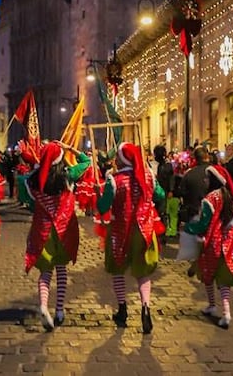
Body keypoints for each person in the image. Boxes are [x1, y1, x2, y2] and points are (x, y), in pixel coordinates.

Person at [20, 141, 91, 331]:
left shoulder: (31, 180)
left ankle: (43, 305)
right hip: (63, 230)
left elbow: (26, 198)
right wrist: (70, 149)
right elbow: (87, 162)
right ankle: (59, 310)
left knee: (45, 272)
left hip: (42, 230)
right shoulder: (67, 175)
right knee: (61, 270)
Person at [95, 142, 165, 334]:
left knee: (118, 270)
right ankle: (145, 308)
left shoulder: (114, 180)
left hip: (121, 230)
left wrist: (98, 194)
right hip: (144, 229)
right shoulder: (148, 175)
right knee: (143, 273)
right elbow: (160, 194)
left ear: (122, 159)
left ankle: (122, 309)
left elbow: (103, 207)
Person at [183, 164, 233, 328]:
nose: (205, 180)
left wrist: (189, 228)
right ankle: (225, 311)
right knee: (223, 280)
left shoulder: (209, 199)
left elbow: (204, 223)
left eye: (208, 178)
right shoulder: (229, 197)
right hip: (229, 242)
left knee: (208, 274)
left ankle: (213, 305)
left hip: (213, 242)